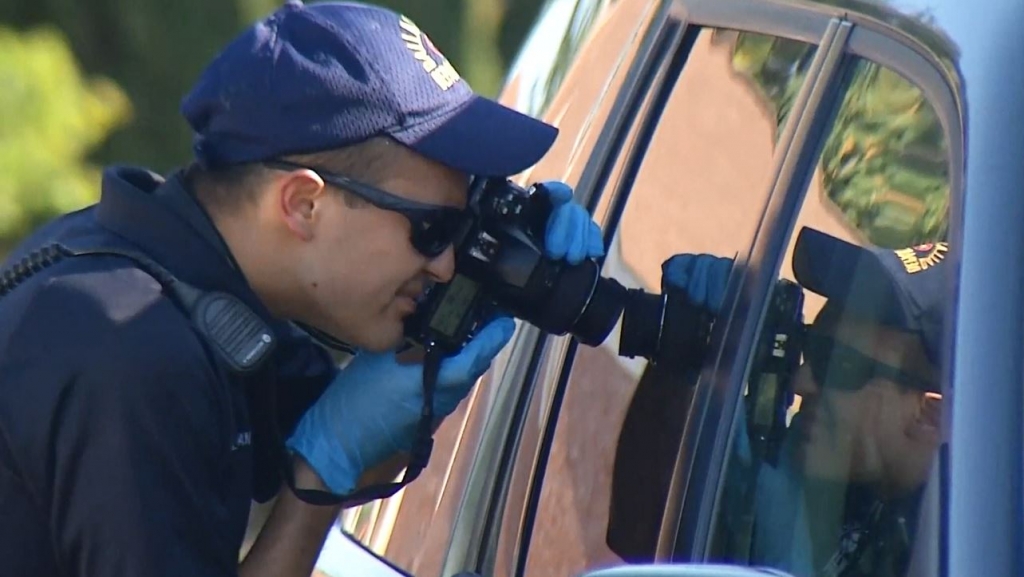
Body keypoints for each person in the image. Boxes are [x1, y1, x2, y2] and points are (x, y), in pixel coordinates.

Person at [0, 2, 605, 576]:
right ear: (303, 204)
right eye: (432, 230)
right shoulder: (132, 358)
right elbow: (329, 438)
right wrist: (321, 479)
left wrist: (505, 269)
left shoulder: (157, 277)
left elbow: (349, 405)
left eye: (462, 225)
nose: (446, 265)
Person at [664, 226, 948, 577]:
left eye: (837, 365)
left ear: (931, 414)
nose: (800, 382)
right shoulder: (850, 484)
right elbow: (641, 546)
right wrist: (688, 354)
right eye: (809, 347)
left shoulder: (959, 558)